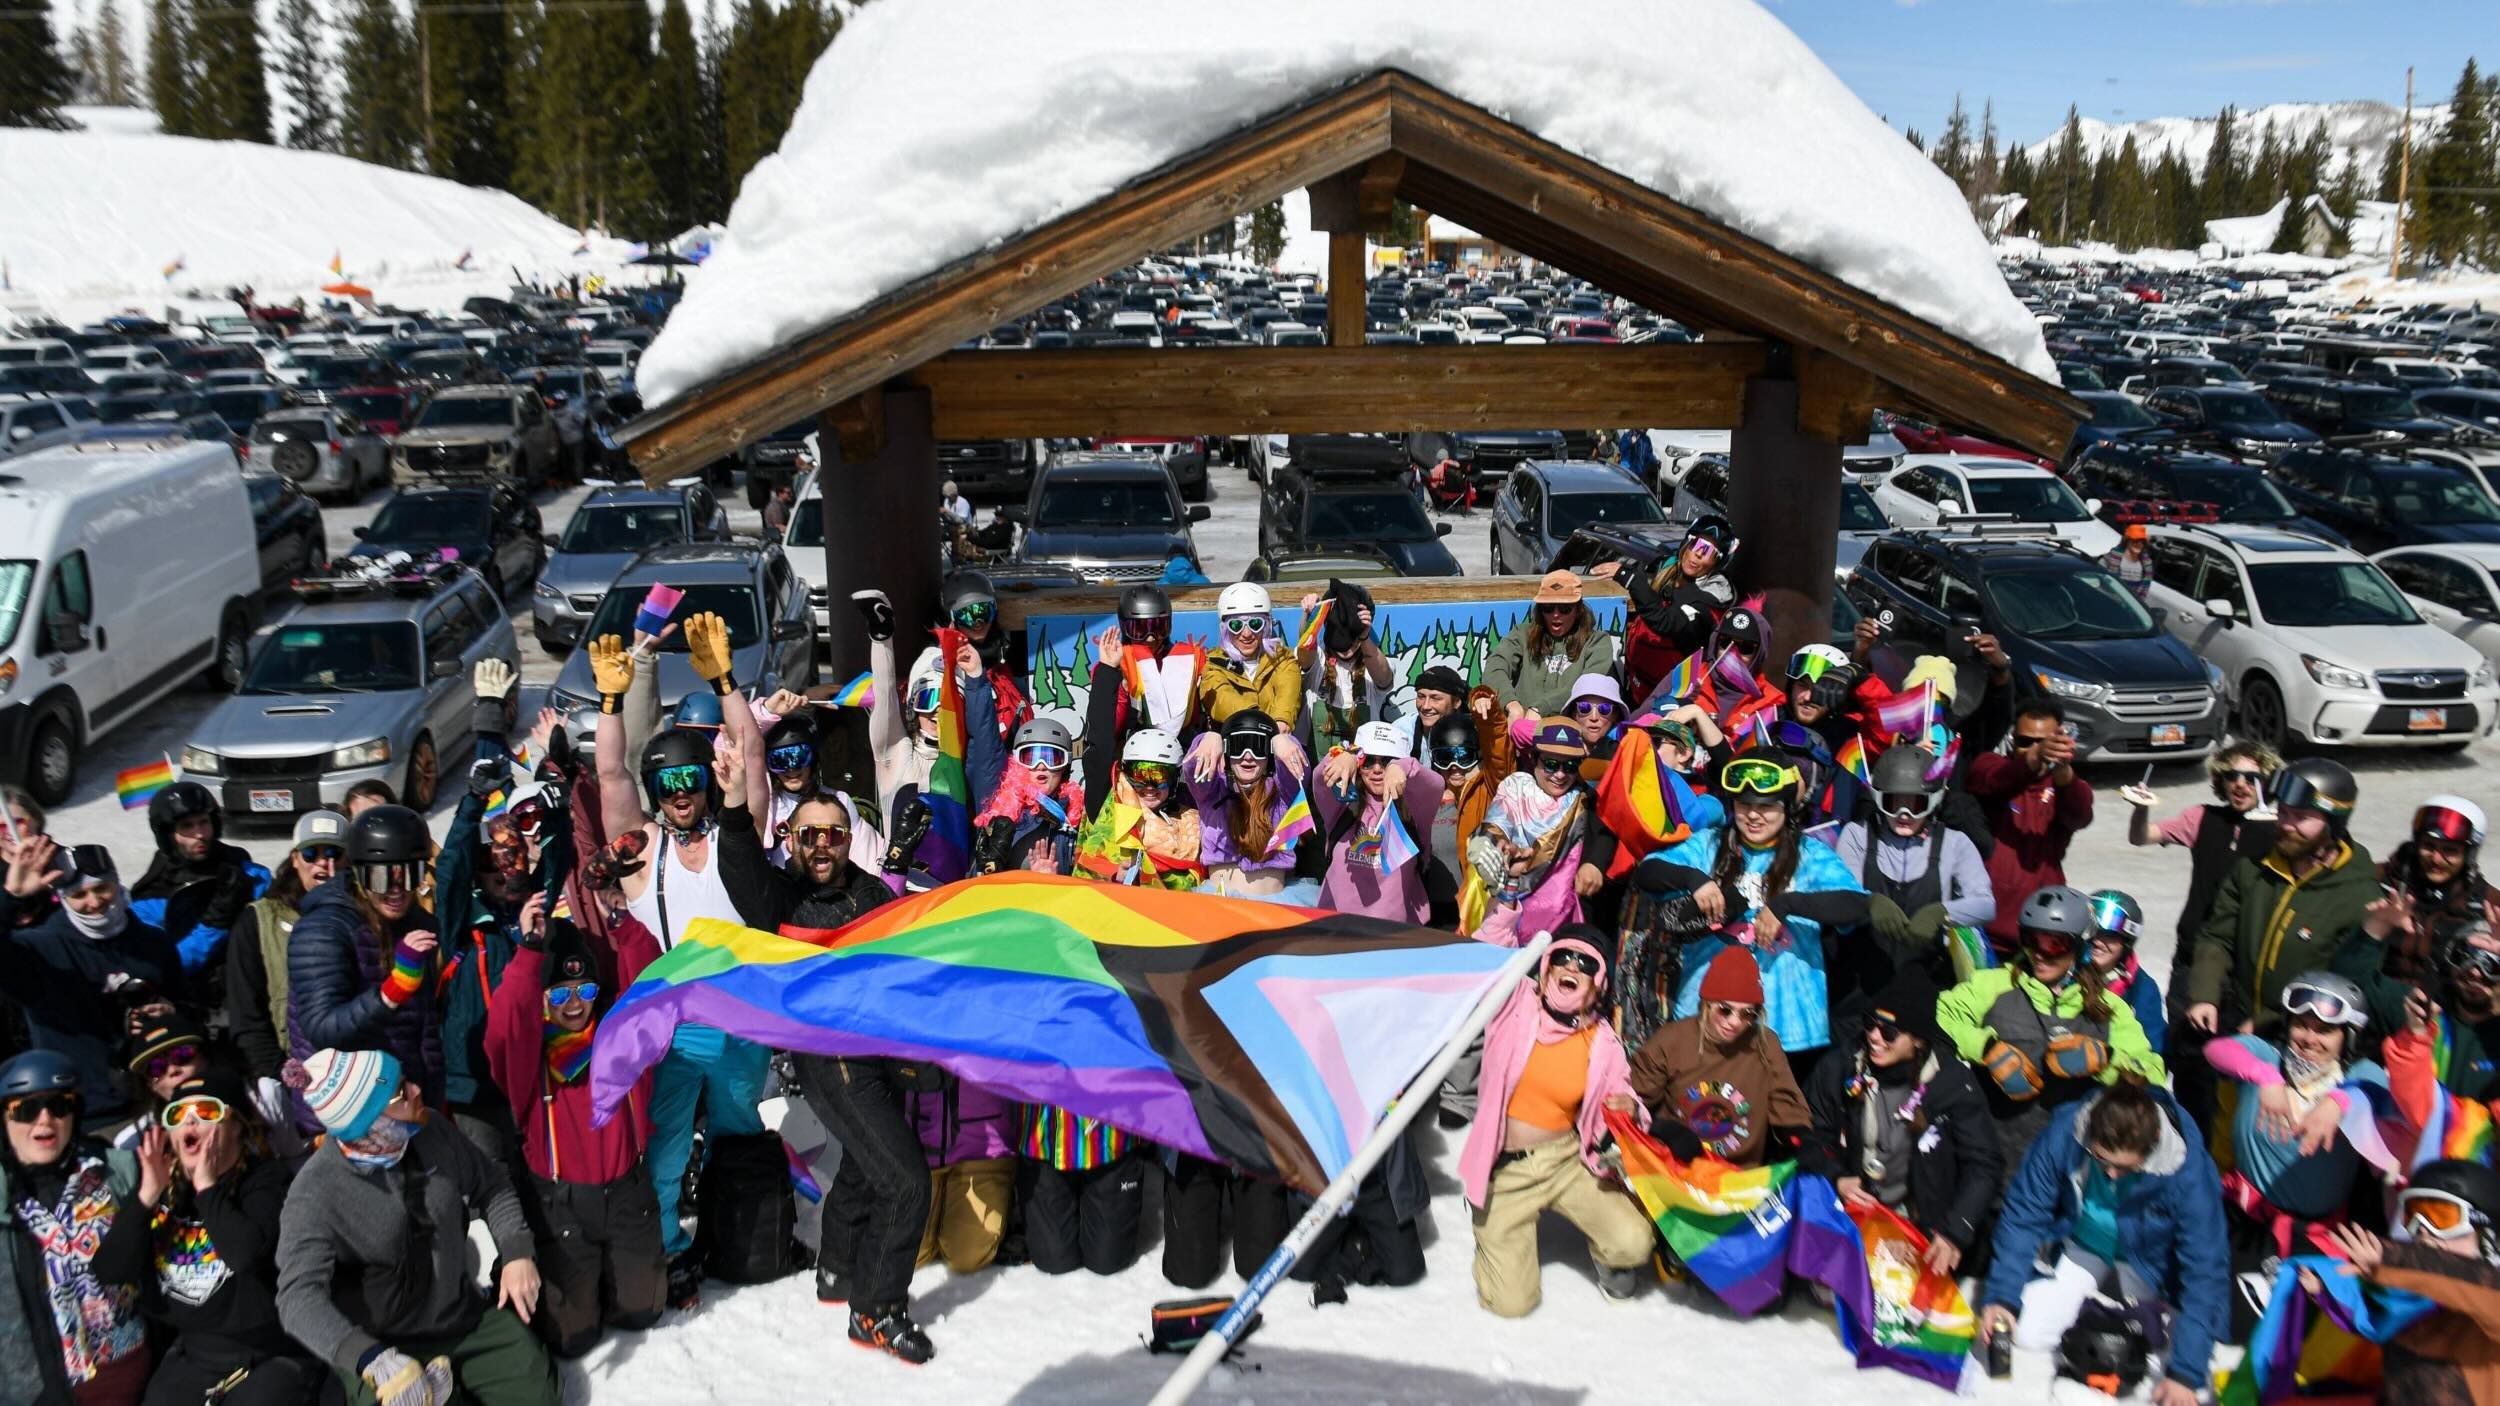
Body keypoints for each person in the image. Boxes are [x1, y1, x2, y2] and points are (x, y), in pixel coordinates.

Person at [590, 616, 773, 1307]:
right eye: (667, 784)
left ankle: (738, 1231)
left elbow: (752, 753)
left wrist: (725, 684)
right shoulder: (641, 853)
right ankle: (666, 1246)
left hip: (739, 1009)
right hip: (672, 1020)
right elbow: (609, 772)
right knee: (666, 1144)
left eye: (691, 779)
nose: (681, 794)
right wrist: (611, 703)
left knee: (736, 1128)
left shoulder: (733, 836)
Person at [276, 1047, 559, 1406]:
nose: (415, 1090)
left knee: (540, 1393)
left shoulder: (432, 1129)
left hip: (460, 1316)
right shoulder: (314, 1193)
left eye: (405, 1079)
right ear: (366, 1123)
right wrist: (368, 1358)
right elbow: (297, 1300)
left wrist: (517, 1252)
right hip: (384, 1345)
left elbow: (491, 1184)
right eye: (398, 1092)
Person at [483, 910, 664, 1361]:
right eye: (559, 992)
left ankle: (611, 1276)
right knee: (571, 1340)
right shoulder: (529, 1060)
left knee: (642, 1313)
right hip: (562, 1207)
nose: (573, 1003)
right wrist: (528, 952)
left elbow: (652, 988)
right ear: (542, 996)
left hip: (627, 1195)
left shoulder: (621, 1039)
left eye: (584, 990)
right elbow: (506, 1025)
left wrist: (622, 921)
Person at [1978, 1080, 2228, 1406]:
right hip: (2083, 1244)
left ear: (2152, 1144)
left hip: (2152, 1266)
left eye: (2124, 1168)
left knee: (2172, 1359)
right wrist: (2002, 1297)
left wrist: (2185, 1373)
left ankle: (2140, 1317)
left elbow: (2205, 1270)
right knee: (2026, 1332)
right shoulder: (2067, 1131)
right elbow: (2025, 1212)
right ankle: (2095, 1311)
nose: (2110, 1174)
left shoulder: (2188, 1172)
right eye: (2101, 1159)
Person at [1459, 933, 1655, 1317]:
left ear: (1598, 985)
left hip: (1565, 1161)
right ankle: (1494, 1234)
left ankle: (1606, 1258)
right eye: (1563, 957)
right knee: (1510, 1304)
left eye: (1586, 964)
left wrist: (1630, 1108)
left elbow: (1627, 1098)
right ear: (1546, 966)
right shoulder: (1515, 1003)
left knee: (1634, 1241)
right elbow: (1488, 949)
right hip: (1507, 1170)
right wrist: (1510, 898)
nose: (1571, 967)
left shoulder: (1603, 1042)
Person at [1637, 751, 1869, 1072]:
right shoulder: (1708, 845)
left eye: (1766, 807)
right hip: (1705, 1018)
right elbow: (1647, 873)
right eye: (1744, 805)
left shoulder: (1811, 854)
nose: (1753, 816)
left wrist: (1787, 904)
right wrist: (1694, 879)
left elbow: (1856, 905)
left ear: (1786, 808)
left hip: (1786, 1029)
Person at [1938, 886, 2168, 1179]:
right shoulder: (1994, 985)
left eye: (2055, 944)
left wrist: (2104, 1060)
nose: (2040, 955)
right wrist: (1985, 1048)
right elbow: (1941, 1017)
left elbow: (2151, 1072)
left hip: (2072, 1163)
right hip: (1994, 1155)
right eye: (2031, 940)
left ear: (2080, 948)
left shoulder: (2110, 1008)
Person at [2202, 972, 2389, 1329]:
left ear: (2346, 1038)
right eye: (2302, 1026)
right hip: (2246, 1220)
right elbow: (2218, 1050)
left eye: (2324, 1031)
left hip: (2316, 1233)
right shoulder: (2268, 1058)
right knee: (2230, 1323)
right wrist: (2266, 1078)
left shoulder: (2357, 1076)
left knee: (2303, 1331)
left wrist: (2340, 1100)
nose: (2309, 1038)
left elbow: (2379, 1089)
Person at [137, 1065, 325, 1406]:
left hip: (265, 1355)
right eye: (179, 1114)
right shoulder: (165, 1189)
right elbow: (109, 1269)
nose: (191, 1122)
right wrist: (141, 1203)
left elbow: (245, 1253)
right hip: (193, 1352)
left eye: (206, 1110)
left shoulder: (269, 1183)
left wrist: (208, 1189)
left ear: (238, 1123)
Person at [1800, 966, 2001, 1278]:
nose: (1874, 1037)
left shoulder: (1951, 1083)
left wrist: (1954, 1231)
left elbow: (1983, 1163)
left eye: (1889, 1032)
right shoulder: (1842, 1065)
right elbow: (1810, 1130)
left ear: (1918, 1040)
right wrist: (1836, 1177)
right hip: (1854, 1209)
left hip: (1922, 1225)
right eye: (1869, 1024)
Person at [2185, 758, 2375, 1045]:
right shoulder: (2253, 868)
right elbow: (2217, 936)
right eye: (2283, 813)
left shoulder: (2359, 895)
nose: (2287, 825)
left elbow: (2343, 980)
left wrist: (2268, 1021)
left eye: (2302, 818)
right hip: (2235, 1020)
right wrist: (2205, 994)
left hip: (2305, 1034)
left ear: (2333, 823)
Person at [0, 1050, 150, 1405]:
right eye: (25, 1109)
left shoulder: (117, 1171)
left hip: (131, 1376)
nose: (45, 1120)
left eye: (58, 1105)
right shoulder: (6, 1198)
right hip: (39, 1389)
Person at [0, 842, 184, 1129]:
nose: (95, 902)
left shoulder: (152, 941)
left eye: (102, 888)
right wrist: (10, 898)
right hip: (84, 1113)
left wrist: (171, 1012)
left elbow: (191, 1005)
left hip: (157, 1102)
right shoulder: (39, 949)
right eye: (79, 894)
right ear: (62, 897)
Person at [285, 804, 441, 1135]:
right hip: (345, 1113)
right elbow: (322, 1027)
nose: (396, 889)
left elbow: (423, 1027)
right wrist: (392, 992)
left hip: (405, 1102)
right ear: (358, 873)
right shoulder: (322, 930)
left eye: (409, 875)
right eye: (381, 876)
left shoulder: (418, 923)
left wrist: (434, 1098)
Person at [1828, 742, 1995, 1006]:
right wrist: (1867, 904)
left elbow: (1986, 904)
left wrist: (1941, 912)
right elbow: (1839, 898)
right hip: (1862, 981)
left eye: (1916, 804)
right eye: (1893, 803)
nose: (1903, 814)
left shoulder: (1955, 842)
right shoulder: (1857, 834)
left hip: (1925, 981)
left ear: (1934, 801)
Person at [2331, 1159, 2500, 1405]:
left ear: (2487, 1236)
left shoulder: (2491, 1295)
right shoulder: (2405, 1302)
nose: (2423, 1231)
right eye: (2413, 1214)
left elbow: (2469, 1279)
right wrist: (2329, 1289)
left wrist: (2392, 1259)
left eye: (2441, 1216)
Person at [2120, 743, 2281, 1001]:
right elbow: (2140, 837)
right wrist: (2141, 808)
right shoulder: (2201, 817)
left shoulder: (2282, 830)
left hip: (2247, 958)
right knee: (2182, 1031)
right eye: (2232, 776)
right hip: (2194, 949)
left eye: (2252, 779)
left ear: (2269, 783)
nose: (2240, 784)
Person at [1628, 948, 1810, 1170]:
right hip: (1678, 1169)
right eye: (1725, 1010)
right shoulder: (1673, 1039)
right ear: (1707, 1003)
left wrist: (1804, 1140)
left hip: (1739, 1176)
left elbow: (1788, 1108)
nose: (1735, 1022)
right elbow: (1635, 1098)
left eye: (1747, 1014)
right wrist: (1661, 1128)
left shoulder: (1765, 1043)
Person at [226, 809, 347, 1086]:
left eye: (333, 853)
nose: (323, 864)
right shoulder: (258, 921)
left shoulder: (366, 917)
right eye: (310, 854)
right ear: (295, 859)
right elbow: (247, 1017)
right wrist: (280, 1075)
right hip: (291, 1075)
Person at [1967, 700, 2094, 955]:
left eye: (2046, 742)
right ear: (2013, 740)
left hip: (2043, 935)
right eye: (2026, 742)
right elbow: (1994, 780)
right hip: (1987, 934)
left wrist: (2063, 770)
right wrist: (2036, 757)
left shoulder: (2065, 786)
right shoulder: (1989, 765)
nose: (2036, 749)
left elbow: (2080, 815)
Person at [1465, 723, 1596, 945]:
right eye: (1551, 764)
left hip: (1563, 920)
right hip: (1511, 911)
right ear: (1534, 759)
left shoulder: (1583, 799)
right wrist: (1491, 844)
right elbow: (1497, 823)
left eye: (1570, 766)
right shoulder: (1517, 787)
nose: (1560, 775)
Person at [127, 782, 270, 982]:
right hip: (193, 999)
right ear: (168, 835)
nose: (200, 834)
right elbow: (166, 967)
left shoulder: (246, 873)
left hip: (250, 985)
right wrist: (215, 923)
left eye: (204, 822)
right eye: (187, 826)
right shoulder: (150, 898)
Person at [1313, 721, 1444, 923]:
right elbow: (1320, 779)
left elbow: (1435, 785)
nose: (1376, 769)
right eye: (1367, 761)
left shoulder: (1413, 808)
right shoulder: (1343, 803)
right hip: (1336, 931)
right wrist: (1344, 754)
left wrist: (1400, 767)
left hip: (1394, 939)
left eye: (1386, 761)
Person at [1183, 709, 1317, 903]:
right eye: (1238, 747)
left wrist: (1283, 740)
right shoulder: (1213, 791)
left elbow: (1299, 771)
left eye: (1258, 746)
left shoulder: (1283, 793)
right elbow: (1194, 771)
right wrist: (1208, 738)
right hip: (1218, 903)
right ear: (1226, 750)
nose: (1248, 756)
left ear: (1271, 754)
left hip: (1275, 905)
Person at [1599, 515, 1733, 705]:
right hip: (1636, 688)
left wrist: (1628, 578)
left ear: (1717, 564)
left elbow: (1665, 621)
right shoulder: (1666, 571)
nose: (1698, 554)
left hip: (1668, 702)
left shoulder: (1709, 602)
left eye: (1709, 552)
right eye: (1697, 544)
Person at [2374, 794, 2500, 984]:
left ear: (2469, 855)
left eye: (2450, 850)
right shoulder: (2378, 880)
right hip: (2375, 1000)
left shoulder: (2489, 905)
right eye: (2428, 846)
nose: (2436, 859)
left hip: (2440, 1009)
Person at [1075, 728, 1204, 891]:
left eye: (1159, 776)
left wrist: (1210, 738)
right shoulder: (1109, 814)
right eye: (1140, 775)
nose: (1149, 786)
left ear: (1175, 779)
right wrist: (1118, 878)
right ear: (1126, 775)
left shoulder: (1194, 821)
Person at [1484, 571, 1618, 725]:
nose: (1556, 614)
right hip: (1523, 727)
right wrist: (1510, 703)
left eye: (1564, 608)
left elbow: (1587, 686)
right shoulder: (1522, 634)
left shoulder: (1597, 642)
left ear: (1578, 609)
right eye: (1548, 608)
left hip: (1569, 732)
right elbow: (1496, 666)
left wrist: (1542, 708)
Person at [1086, 584, 1204, 745]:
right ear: (1125, 626)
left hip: (1181, 748)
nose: (1150, 638)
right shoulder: (1115, 666)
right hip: (1134, 750)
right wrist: (1120, 686)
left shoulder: (1189, 660)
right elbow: (1108, 728)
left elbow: (1197, 718)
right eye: (1140, 629)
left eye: (1158, 627)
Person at [971, 717, 1085, 877]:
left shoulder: (1076, 815)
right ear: (1017, 763)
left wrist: (1053, 882)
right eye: (1030, 757)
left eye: (1052, 758)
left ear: (1065, 766)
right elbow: (972, 884)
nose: (1040, 765)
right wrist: (988, 870)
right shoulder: (1003, 815)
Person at [1298, 579, 1391, 757]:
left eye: (1353, 635)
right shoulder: (1318, 661)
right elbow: (1304, 651)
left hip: (1363, 776)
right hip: (1319, 776)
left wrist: (1364, 636)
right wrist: (1312, 616)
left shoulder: (1372, 668)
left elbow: (1384, 678)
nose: (1349, 644)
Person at [1196, 581, 1302, 731]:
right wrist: (1260, 723)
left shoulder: (1283, 660)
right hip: (1233, 746)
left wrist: (1281, 722)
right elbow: (1222, 700)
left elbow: (1287, 697)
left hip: (1277, 742)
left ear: (1267, 626)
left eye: (1255, 624)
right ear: (1225, 629)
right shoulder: (1214, 665)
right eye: (1236, 625)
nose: (1246, 634)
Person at [2084, 889, 2166, 1055]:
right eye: (2092, 932)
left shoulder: (2141, 989)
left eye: (2110, 936)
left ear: (2126, 943)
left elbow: (2153, 1050)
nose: (2098, 941)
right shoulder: (2063, 974)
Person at [2103, 523, 2154, 600]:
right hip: (2113, 597)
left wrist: (2139, 601)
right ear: (2127, 541)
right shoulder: (2113, 556)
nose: (2138, 544)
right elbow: (2104, 578)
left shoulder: (2147, 562)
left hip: (2134, 601)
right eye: (2135, 541)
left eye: (2142, 541)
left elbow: (2146, 585)